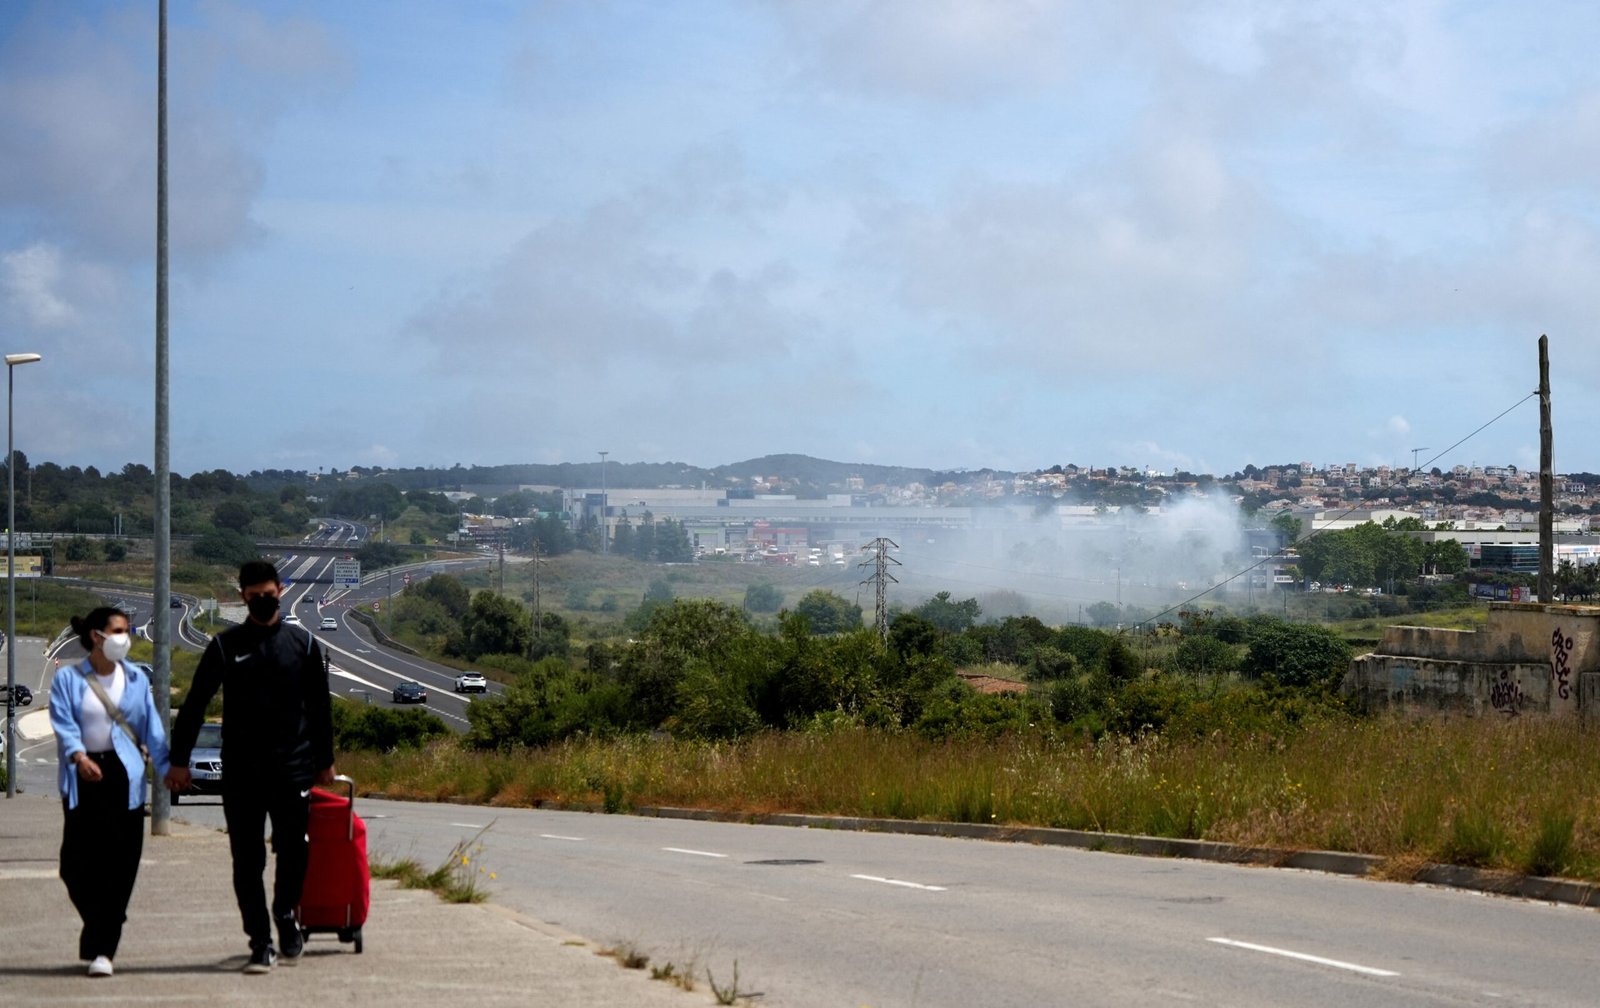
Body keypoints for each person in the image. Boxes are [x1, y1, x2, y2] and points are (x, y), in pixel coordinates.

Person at [165, 560, 336, 974]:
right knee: (247, 860)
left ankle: (285, 915)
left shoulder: (305, 645)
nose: (263, 601)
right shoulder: (224, 647)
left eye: (269, 594)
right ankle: (260, 940)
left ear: (281, 589)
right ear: (243, 596)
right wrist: (179, 761)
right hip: (241, 772)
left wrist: (325, 762)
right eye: (254, 595)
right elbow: (194, 706)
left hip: (294, 769)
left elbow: (320, 708)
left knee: (295, 850)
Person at [48, 606, 171, 978]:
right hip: (83, 777)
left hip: (125, 775)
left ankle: (104, 949)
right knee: (74, 866)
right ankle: (106, 919)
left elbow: (152, 729)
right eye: (118, 630)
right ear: (97, 637)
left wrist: (169, 770)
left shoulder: (134, 679)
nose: (125, 637)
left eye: (127, 630)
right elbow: (63, 722)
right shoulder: (69, 680)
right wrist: (78, 755)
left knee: (120, 865)